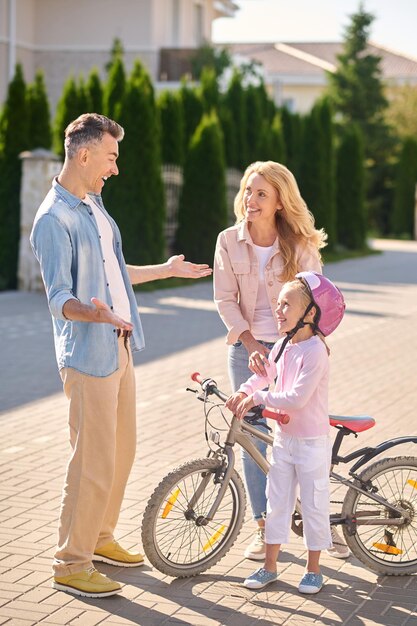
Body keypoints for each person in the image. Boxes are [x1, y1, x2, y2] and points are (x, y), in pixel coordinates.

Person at [30, 113, 212, 599]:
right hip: (89, 354)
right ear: (85, 154)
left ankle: (101, 538)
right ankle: (71, 561)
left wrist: (167, 270)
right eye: (111, 157)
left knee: (120, 454)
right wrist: (98, 316)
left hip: (121, 347)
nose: (115, 168)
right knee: (91, 462)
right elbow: (59, 300)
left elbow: (114, 271)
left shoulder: (93, 206)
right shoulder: (54, 218)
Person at [214, 160, 349, 561]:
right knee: (252, 435)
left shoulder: (300, 245)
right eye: (247, 191)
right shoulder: (227, 240)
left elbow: (317, 305)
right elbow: (224, 299)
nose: (250, 200)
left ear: (278, 202)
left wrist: (296, 350)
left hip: (294, 348)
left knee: (304, 436)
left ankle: (316, 521)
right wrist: (253, 344)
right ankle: (263, 525)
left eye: (261, 194)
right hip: (246, 347)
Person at [226, 271, 345, 594]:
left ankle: (314, 569)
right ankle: (270, 567)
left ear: (309, 314)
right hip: (283, 441)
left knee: (313, 504)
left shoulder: (315, 352)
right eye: (278, 304)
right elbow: (263, 377)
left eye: (286, 305)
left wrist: (259, 398)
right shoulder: (280, 346)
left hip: (310, 443)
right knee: (276, 503)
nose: (278, 311)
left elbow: (295, 398)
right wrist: (244, 390)